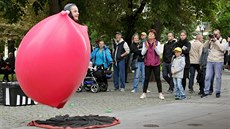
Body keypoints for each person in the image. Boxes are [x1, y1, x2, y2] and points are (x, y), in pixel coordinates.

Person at [201, 29, 229, 98]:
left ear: (219, 34)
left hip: (219, 61)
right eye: (214, 34)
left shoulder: (223, 40)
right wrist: (208, 40)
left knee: (218, 77)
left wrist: (216, 41)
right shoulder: (211, 40)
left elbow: (222, 49)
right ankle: (206, 91)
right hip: (210, 60)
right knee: (207, 77)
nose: (215, 35)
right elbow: (204, 46)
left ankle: (217, 92)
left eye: (216, 34)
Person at [140, 29, 164, 99]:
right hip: (148, 63)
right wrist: (146, 48)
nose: (150, 35)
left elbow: (159, 53)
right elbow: (142, 53)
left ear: (154, 36)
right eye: (149, 34)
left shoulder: (157, 43)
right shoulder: (145, 43)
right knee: (146, 78)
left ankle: (160, 93)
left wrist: (155, 47)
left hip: (156, 63)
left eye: (152, 34)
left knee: (158, 78)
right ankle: (144, 93)